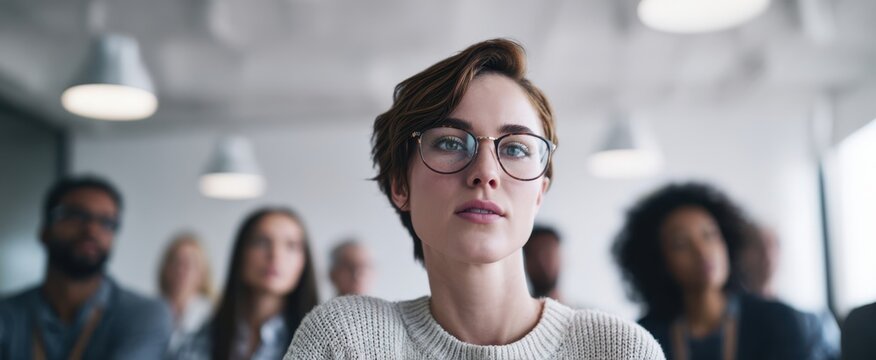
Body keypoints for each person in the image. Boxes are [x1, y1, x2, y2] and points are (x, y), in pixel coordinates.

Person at [285, 38, 664, 359]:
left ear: (539, 194)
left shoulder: (619, 350)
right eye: (450, 143)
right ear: (400, 185)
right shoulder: (348, 341)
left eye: (515, 149)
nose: (485, 172)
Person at [613, 182, 811, 360]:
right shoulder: (644, 335)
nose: (702, 252)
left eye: (710, 235)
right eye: (681, 244)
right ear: (658, 261)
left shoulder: (777, 320)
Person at [0, 175, 172, 359]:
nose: (91, 229)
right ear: (45, 231)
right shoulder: (7, 314)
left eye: (106, 222)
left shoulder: (143, 315)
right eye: (76, 216)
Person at [174, 207, 318, 360]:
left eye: (291, 245)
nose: (275, 255)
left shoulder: (321, 343)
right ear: (241, 253)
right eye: (262, 242)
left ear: (304, 261)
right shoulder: (201, 339)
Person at [739, 224, 840, 359]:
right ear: (742, 255)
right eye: (757, 246)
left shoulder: (812, 319)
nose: (766, 254)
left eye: (772, 246)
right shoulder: (734, 321)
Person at [158, 233, 216, 352]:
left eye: (191, 264)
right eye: (177, 262)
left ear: (203, 274)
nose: (182, 270)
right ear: (166, 269)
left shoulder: (212, 317)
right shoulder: (151, 311)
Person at [522, 224, 563, 301]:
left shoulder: (581, 309)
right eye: (535, 255)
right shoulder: (515, 307)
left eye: (549, 254)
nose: (542, 263)